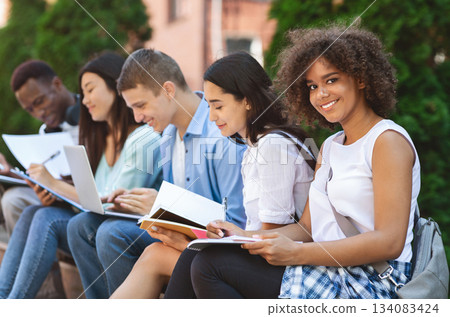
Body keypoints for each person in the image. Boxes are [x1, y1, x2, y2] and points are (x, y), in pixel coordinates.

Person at [166, 26, 421, 299]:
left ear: (360, 79)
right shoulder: (332, 146)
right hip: (328, 268)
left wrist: (299, 253)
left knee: (210, 266)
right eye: (312, 86)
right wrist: (242, 236)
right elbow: (306, 228)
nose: (321, 93)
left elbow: (390, 242)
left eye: (331, 80)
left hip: (371, 280)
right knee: (200, 254)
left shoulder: (386, 141)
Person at [110, 52, 316, 299]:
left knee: (194, 261)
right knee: (183, 257)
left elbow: (268, 240)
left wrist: (188, 242)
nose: (211, 116)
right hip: (258, 255)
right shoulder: (254, 147)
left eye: (218, 106)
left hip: (283, 267)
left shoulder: (271, 146)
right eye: (208, 106)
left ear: (247, 101)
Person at [67, 48, 247, 299]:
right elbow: (182, 212)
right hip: (186, 238)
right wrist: (143, 203)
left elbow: (236, 224)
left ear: (168, 90)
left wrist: (165, 205)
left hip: (218, 250)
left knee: (112, 234)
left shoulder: (221, 133)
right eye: (132, 108)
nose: (137, 117)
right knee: (82, 224)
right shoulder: (168, 136)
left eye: (140, 105)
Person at [0, 52, 163, 299]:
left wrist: (53, 183)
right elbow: (95, 202)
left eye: (89, 90)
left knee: (53, 220)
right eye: (83, 93)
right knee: (36, 212)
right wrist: (50, 190)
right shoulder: (104, 137)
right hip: (96, 223)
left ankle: (12, 303)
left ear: (116, 86)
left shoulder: (145, 139)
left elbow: (113, 203)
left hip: (129, 228)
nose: (84, 100)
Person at [0, 60, 80, 236]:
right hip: (64, 204)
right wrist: (9, 173)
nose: (39, 113)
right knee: (12, 200)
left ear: (57, 84)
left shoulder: (91, 117)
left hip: (89, 203)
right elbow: (46, 180)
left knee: (40, 217)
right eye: (30, 109)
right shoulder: (45, 133)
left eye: (39, 101)